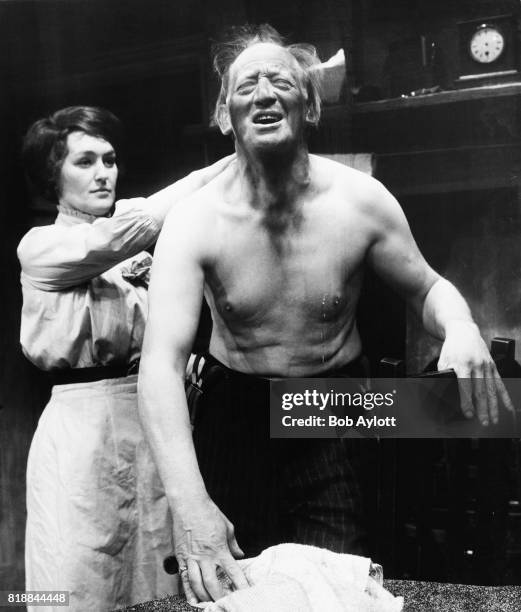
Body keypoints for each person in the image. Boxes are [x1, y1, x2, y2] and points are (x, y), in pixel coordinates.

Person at [138, 24, 513, 605]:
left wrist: (461, 325)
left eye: (280, 80)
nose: (264, 93)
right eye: (246, 86)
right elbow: (160, 364)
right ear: (224, 116)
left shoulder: (360, 199)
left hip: (331, 404)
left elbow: (430, 288)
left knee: (340, 587)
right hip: (234, 407)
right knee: (228, 589)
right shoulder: (194, 221)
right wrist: (188, 503)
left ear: (309, 104)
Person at [18, 105, 232, 611]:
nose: (102, 173)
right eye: (85, 161)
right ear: (54, 175)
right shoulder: (42, 247)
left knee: (156, 574)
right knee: (75, 575)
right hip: (82, 430)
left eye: (109, 160)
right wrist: (224, 166)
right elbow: (121, 233)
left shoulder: (140, 258)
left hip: (152, 422)